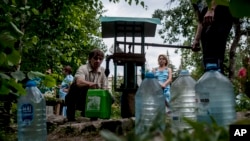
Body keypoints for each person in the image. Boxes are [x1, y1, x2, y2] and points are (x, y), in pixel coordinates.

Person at [191, 0, 234, 74]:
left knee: (213, 54)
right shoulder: (193, 1)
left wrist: (211, 9)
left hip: (219, 10)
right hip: (206, 18)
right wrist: (196, 39)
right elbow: (200, 20)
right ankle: (212, 78)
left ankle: (216, 77)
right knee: (207, 58)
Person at [66, 49, 108, 121]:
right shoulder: (83, 68)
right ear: (89, 59)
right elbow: (79, 82)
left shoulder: (103, 71)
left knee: (109, 97)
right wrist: (89, 84)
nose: (98, 61)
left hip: (93, 98)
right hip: (78, 98)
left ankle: (94, 115)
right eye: (95, 58)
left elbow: (105, 88)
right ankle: (71, 117)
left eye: (100, 59)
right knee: (76, 86)